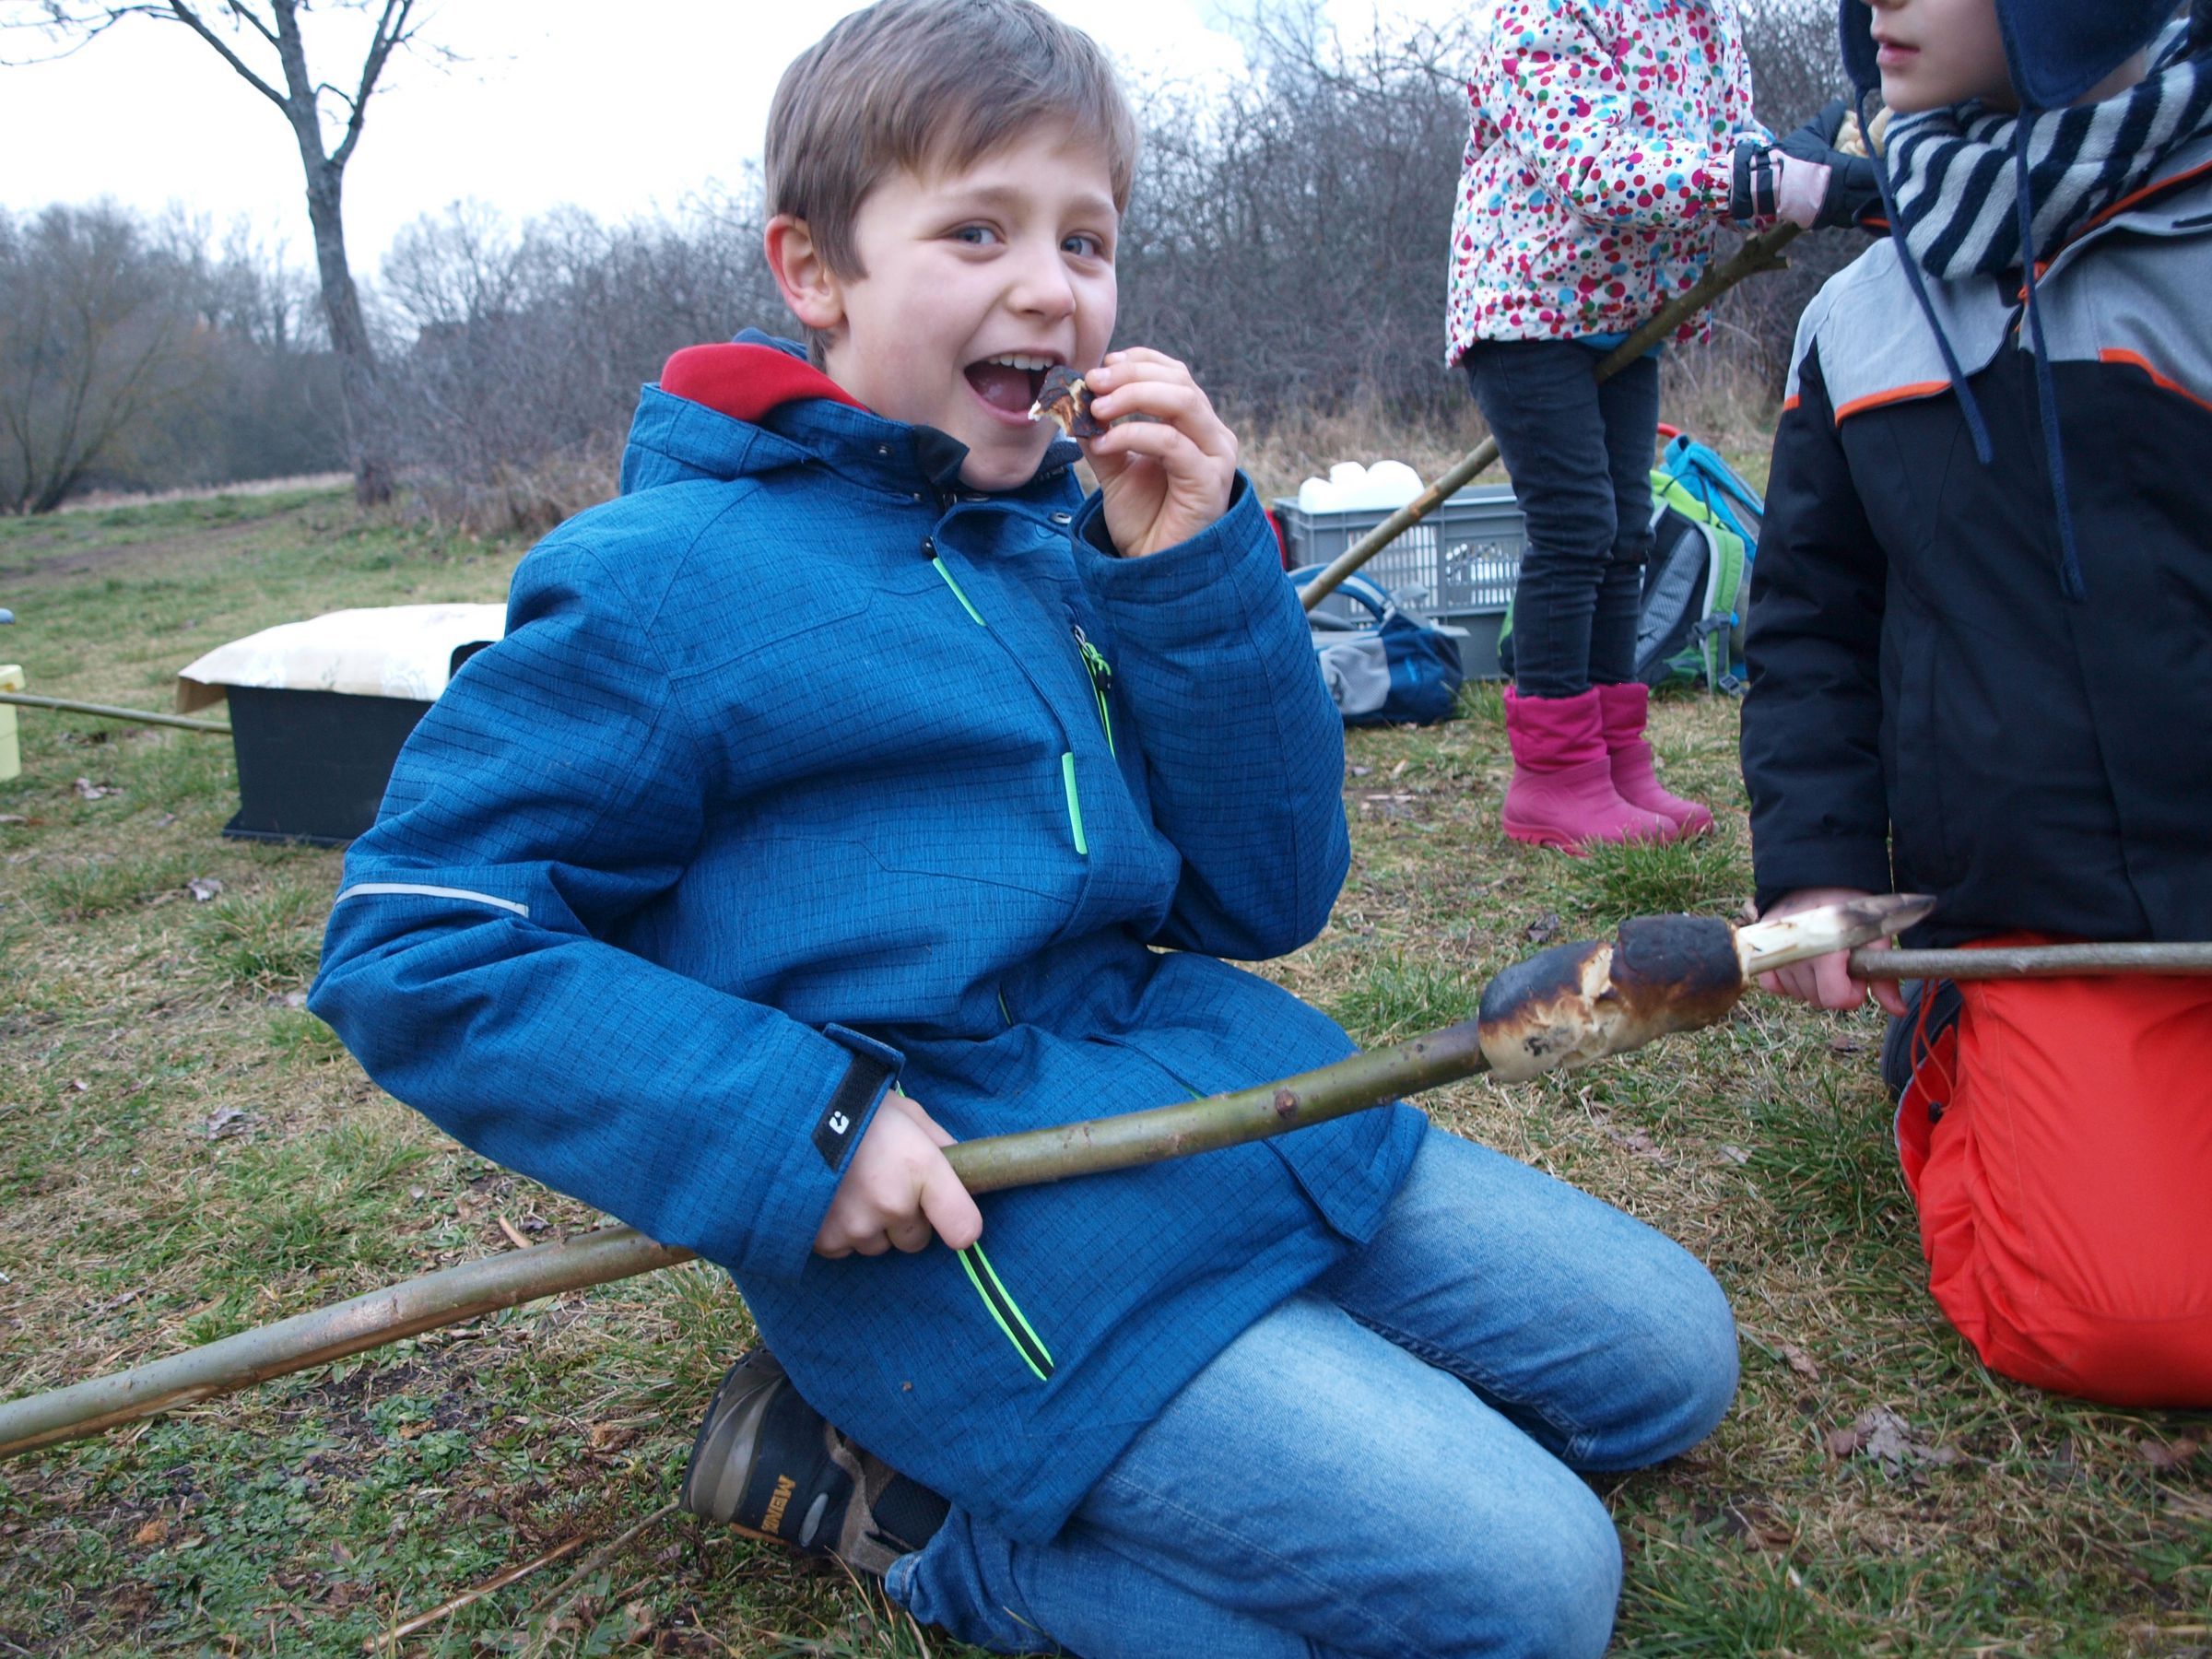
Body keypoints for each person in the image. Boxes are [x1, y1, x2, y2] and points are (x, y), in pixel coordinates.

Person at [309, 3, 1740, 1653]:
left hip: (1210, 1094)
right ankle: (903, 1519)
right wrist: (802, 1129)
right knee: (1531, 1593)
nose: (1052, 287)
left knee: (1666, 1364)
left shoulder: (1064, 540)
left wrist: (1193, 578)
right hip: (973, 1212)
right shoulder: (660, 580)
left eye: (1087, 238)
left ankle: (1276, 1395)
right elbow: (416, 936)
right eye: (975, 229)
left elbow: (1265, 892)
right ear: (814, 270)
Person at [1742, 0, 2212, 1406]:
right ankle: (1965, 1050)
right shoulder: (1856, 321)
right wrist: (1821, 867)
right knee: (2131, 1321)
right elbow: (1811, 625)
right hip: (2047, 926)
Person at [1451, 0, 1877, 853]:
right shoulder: (1549, 12)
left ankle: (1615, 757)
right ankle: (1553, 779)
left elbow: (1727, 142)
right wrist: (1762, 180)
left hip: (1624, 312)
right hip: (1529, 305)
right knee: (1576, 529)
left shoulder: (1701, 19)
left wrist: (1813, 164)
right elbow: (1598, 169)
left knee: (1626, 535)